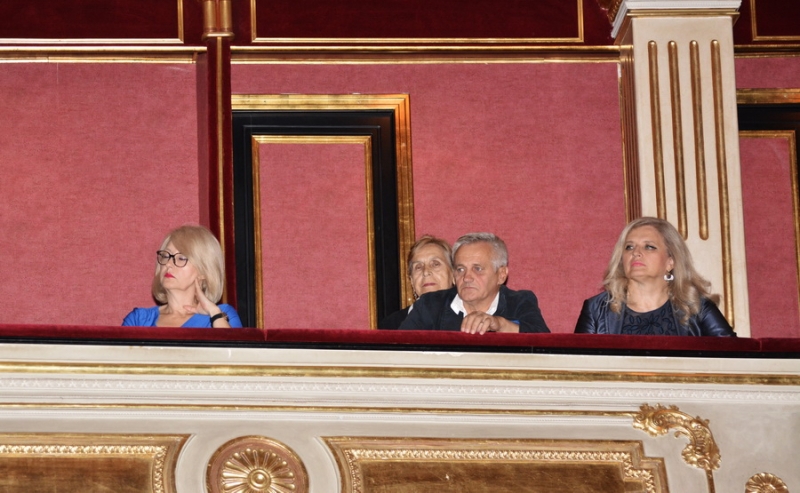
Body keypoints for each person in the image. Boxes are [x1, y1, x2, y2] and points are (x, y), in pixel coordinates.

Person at [574, 217, 735, 336]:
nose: (636, 253)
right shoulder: (597, 309)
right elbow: (579, 367)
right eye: (629, 247)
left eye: (649, 247)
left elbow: (734, 360)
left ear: (670, 261)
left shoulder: (697, 308)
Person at [396, 232, 549, 334]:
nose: (467, 277)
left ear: (501, 275)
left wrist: (500, 324)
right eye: (460, 269)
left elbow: (544, 342)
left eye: (477, 269)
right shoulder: (430, 305)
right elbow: (398, 350)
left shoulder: (519, 302)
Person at [122, 224, 243, 328]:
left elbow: (234, 348)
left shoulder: (222, 315)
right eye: (166, 256)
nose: (168, 264)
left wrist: (214, 313)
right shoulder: (139, 320)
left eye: (181, 258)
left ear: (204, 271)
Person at [379, 235, 455, 329]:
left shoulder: (466, 318)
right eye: (418, 267)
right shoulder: (390, 326)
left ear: (453, 274)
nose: (425, 272)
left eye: (435, 264)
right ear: (411, 280)